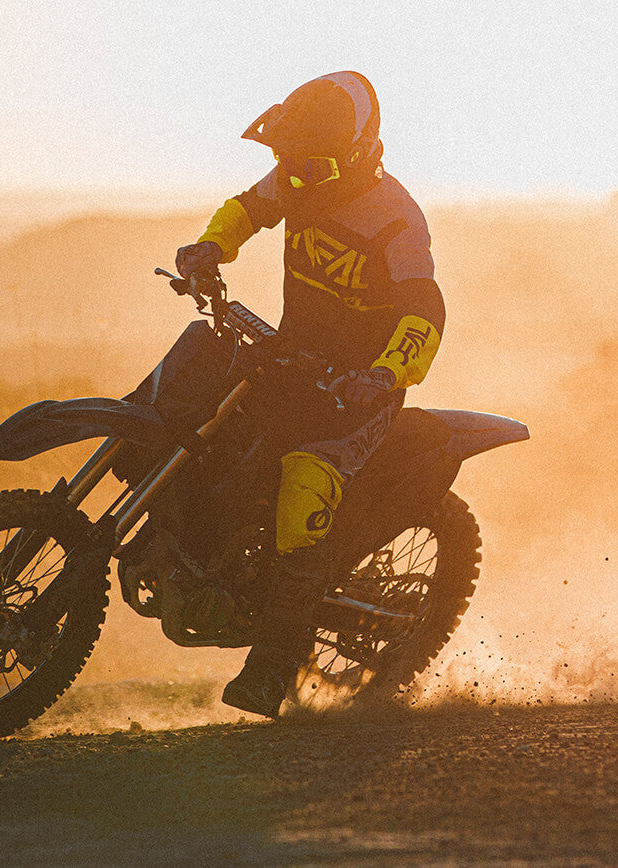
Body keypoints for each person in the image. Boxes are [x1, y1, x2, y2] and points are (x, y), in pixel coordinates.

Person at [175, 71, 445, 718]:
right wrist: (212, 246)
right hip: (291, 361)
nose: (292, 175)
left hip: (359, 391)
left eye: (307, 164)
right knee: (205, 425)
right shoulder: (301, 176)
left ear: (355, 154)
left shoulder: (396, 220)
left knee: (304, 481)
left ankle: (270, 669)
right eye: (284, 160)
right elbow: (248, 207)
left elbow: (425, 313)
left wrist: (382, 375)